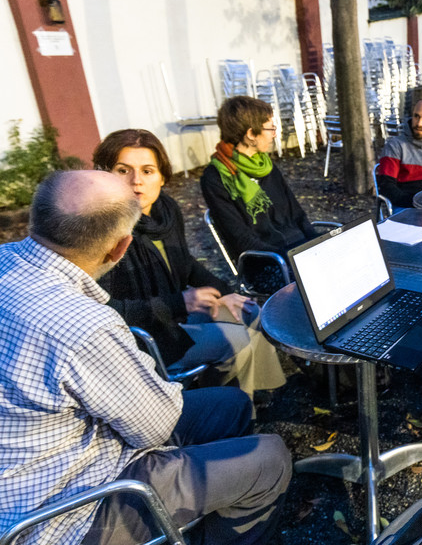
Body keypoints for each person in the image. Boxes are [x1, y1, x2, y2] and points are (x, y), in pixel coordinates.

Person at [0, 171, 291, 545]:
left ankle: (201, 519)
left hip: (51, 459)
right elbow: (153, 427)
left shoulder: (9, 262)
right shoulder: (83, 323)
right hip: (64, 515)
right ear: (120, 248)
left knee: (231, 404)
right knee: (271, 458)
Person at [93, 129, 286, 403]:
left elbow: (185, 263)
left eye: (148, 171)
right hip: (145, 337)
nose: (136, 182)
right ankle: (223, 407)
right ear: (104, 175)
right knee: (237, 340)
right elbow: (106, 312)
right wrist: (179, 303)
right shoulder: (101, 231)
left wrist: (224, 291)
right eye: (123, 170)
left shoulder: (166, 211)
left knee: (249, 310)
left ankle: (253, 393)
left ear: (162, 177)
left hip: (175, 314)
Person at [201, 95, 320, 261]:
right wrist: (291, 259)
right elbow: (242, 241)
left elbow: (298, 216)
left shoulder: (266, 166)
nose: (275, 134)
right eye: (271, 129)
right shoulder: (216, 178)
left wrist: (319, 245)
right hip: (266, 260)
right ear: (251, 134)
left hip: (300, 249)